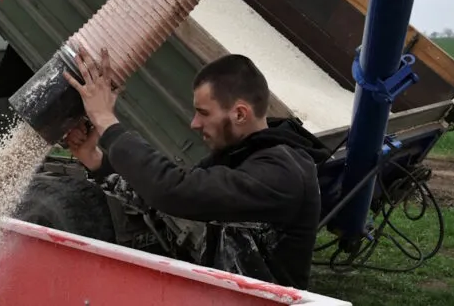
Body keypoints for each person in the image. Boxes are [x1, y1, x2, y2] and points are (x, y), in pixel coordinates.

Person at [62, 46, 330, 290]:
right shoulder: (240, 157)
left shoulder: (281, 174)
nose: (194, 123)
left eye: (203, 112)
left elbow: (176, 191)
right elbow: (163, 203)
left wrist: (106, 122)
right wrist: (95, 159)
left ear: (239, 114)